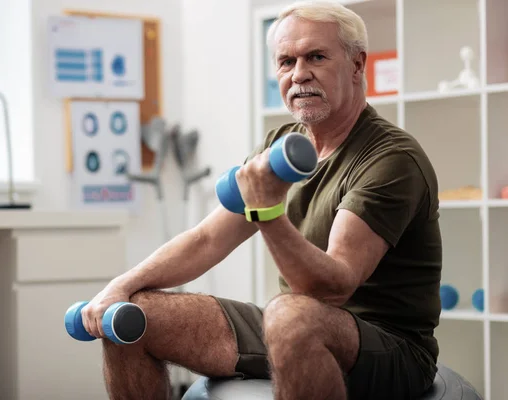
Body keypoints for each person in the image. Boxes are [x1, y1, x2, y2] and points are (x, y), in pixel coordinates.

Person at [81, 1, 442, 399]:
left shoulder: (391, 158)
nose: (300, 73)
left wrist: (268, 211)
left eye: (316, 57)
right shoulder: (279, 145)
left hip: (390, 348)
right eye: (286, 61)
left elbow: (333, 287)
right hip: (293, 325)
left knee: (289, 313)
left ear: (357, 65)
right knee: (133, 316)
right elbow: (206, 240)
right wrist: (119, 286)